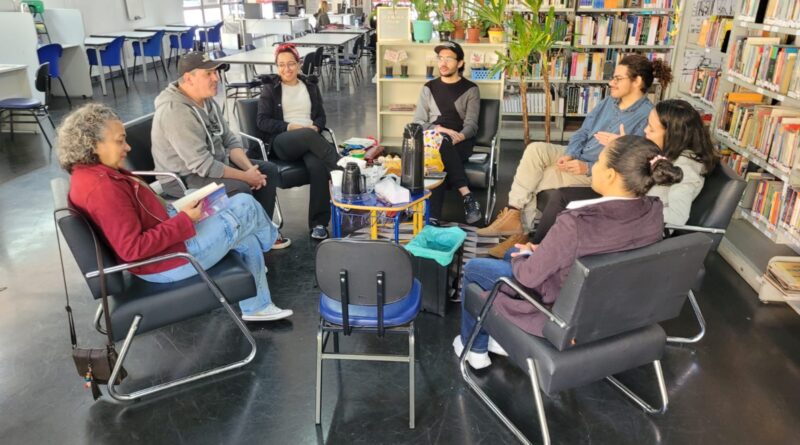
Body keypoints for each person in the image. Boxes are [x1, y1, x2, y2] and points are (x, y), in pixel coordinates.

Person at [454, 135, 684, 369]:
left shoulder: (576, 222)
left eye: (599, 161)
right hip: (615, 305)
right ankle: (497, 335)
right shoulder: (653, 210)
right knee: (512, 252)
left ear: (610, 175)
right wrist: (544, 250)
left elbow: (528, 277)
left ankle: (474, 349)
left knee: (476, 269)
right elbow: (607, 248)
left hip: (562, 312)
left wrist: (528, 255)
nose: (594, 167)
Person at [58, 104, 293, 322]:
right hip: (167, 263)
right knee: (244, 205)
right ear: (93, 145)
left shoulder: (92, 174)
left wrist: (177, 212)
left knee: (246, 234)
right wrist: (184, 220)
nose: (127, 148)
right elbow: (133, 249)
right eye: (120, 141)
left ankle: (257, 307)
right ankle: (270, 240)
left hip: (166, 244)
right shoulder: (102, 188)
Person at [477, 55, 673, 249]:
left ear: (637, 81)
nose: (611, 83)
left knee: (539, 176)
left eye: (618, 78)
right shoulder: (608, 102)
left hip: (598, 170)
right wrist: (570, 154)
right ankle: (514, 216)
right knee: (535, 149)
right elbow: (583, 131)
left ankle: (520, 233)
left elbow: (632, 166)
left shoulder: (647, 116)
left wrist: (587, 167)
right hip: (579, 154)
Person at [528, 99, 719, 246]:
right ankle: (538, 249)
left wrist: (631, 207)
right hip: (625, 201)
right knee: (562, 197)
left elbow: (677, 217)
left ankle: (537, 254)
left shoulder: (686, 170)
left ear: (672, 135)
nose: (646, 131)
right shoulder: (669, 152)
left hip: (634, 222)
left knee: (571, 210)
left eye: (652, 129)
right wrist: (626, 146)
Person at [150, 51, 291, 249]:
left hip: (214, 164)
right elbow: (202, 164)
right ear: (189, 78)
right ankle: (249, 240)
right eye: (208, 74)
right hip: (184, 177)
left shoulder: (205, 100)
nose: (216, 78)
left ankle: (260, 232)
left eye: (215, 72)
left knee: (266, 170)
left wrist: (250, 170)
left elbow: (229, 139)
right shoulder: (175, 111)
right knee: (240, 187)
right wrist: (246, 177)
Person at [256, 43, 341, 240]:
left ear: (299, 64)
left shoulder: (310, 86)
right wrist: (290, 127)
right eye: (281, 65)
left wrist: (317, 127)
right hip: (283, 142)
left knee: (318, 165)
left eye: (291, 64)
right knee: (309, 136)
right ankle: (344, 170)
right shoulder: (270, 89)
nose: (286, 69)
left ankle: (319, 224)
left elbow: (320, 116)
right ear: (277, 66)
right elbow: (262, 121)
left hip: (310, 141)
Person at [412, 40, 482, 225]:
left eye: (449, 59)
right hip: (433, 138)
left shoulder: (471, 89)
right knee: (440, 143)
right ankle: (467, 195)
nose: (442, 63)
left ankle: (432, 218)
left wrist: (458, 136)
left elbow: (472, 125)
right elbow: (418, 121)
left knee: (440, 151)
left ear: (460, 63)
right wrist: (440, 130)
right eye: (440, 58)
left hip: (460, 141)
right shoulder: (428, 88)